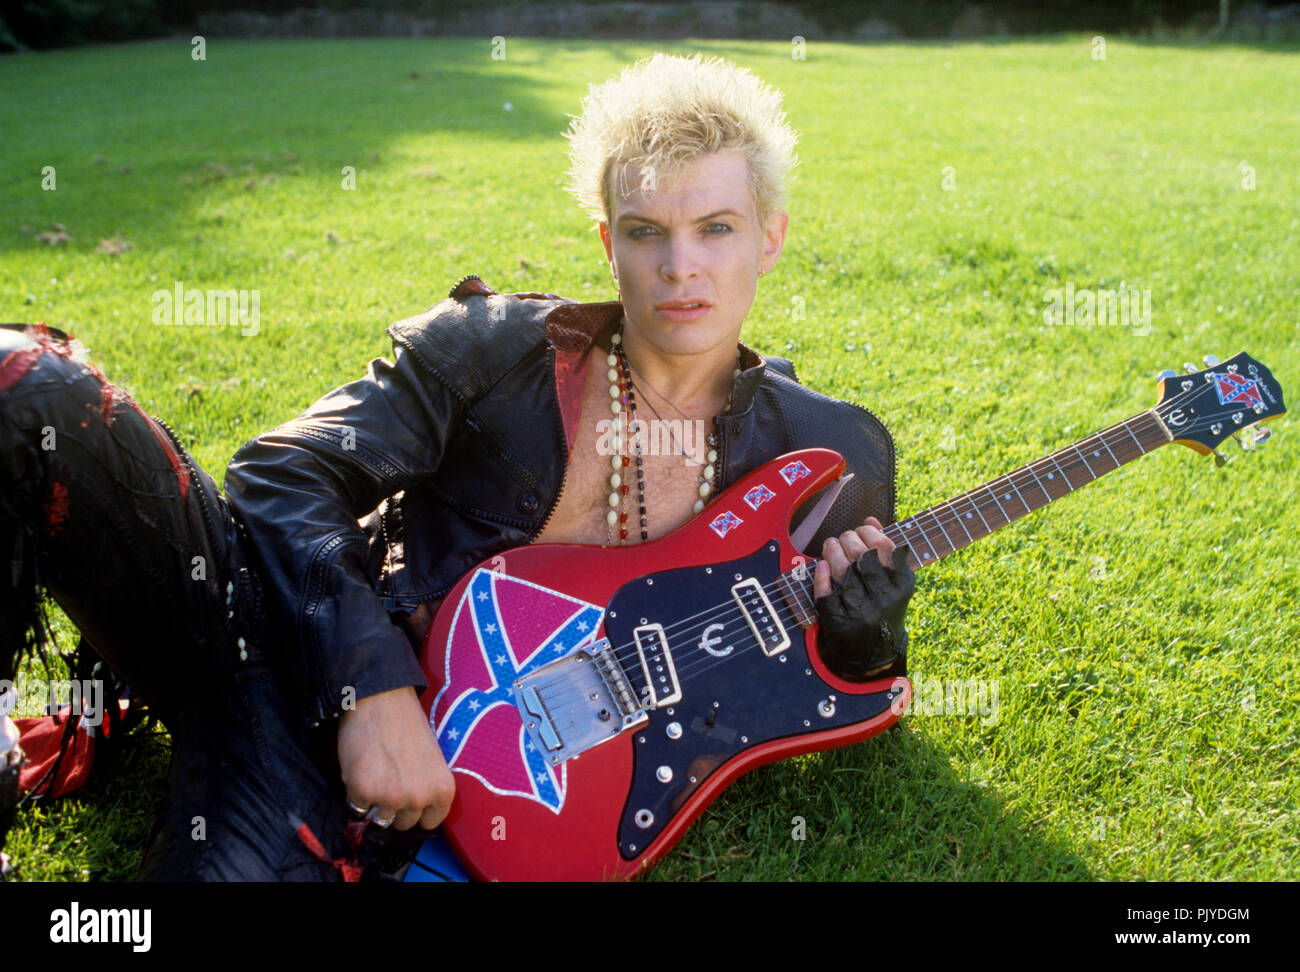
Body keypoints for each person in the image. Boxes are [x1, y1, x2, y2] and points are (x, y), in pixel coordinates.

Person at [0, 52, 913, 880]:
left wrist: (868, 630)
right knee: (27, 386)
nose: (681, 267)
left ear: (771, 237)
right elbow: (286, 473)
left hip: (355, 780)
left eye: (716, 227)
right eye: (646, 231)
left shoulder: (829, 454)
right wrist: (374, 693)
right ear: (607, 244)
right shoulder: (494, 349)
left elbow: (822, 686)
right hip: (274, 629)